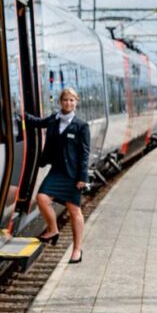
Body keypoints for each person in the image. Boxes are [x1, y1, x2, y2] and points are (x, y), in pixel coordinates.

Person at [25, 87, 91, 264]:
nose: (68, 103)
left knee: (74, 210)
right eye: (65, 100)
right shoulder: (54, 119)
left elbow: (85, 154)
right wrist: (17, 114)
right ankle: (53, 230)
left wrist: (82, 178)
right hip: (56, 171)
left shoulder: (82, 126)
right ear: (60, 102)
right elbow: (36, 122)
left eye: (71, 100)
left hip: (73, 174)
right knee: (42, 198)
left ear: (76, 102)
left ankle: (77, 250)